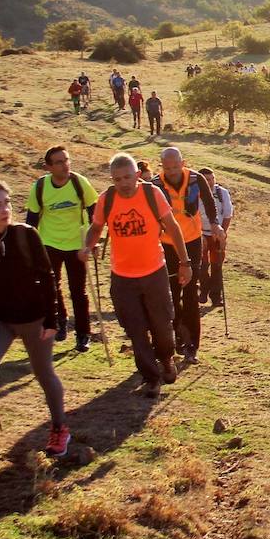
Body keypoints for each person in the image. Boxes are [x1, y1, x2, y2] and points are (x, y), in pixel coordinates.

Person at [0, 178, 69, 460]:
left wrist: (52, 320)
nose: (5, 209)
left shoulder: (26, 235)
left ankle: (60, 428)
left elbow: (49, 278)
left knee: (43, 373)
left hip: (34, 319)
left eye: (7, 203)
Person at [80, 153, 188, 397]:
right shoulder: (106, 200)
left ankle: (166, 359)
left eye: (128, 177)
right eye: (117, 179)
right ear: (112, 179)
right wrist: (88, 246)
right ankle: (151, 378)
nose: (123, 183)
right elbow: (96, 228)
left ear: (137, 176)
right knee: (135, 331)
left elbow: (172, 226)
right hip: (122, 278)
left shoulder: (152, 194)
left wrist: (185, 262)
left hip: (154, 272)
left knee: (162, 326)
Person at [25, 146, 99, 352]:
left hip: (77, 244)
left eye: (66, 160)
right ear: (48, 167)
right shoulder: (40, 187)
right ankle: (60, 320)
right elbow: (31, 221)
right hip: (49, 243)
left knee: (79, 291)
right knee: (51, 288)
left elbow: (95, 213)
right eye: (58, 162)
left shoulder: (79, 183)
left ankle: (83, 334)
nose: (64, 165)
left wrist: (93, 242)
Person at [153, 147, 222, 363]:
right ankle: (176, 340)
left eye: (176, 166)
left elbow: (209, 203)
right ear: (162, 166)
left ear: (183, 163)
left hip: (192, 241)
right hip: (166, 244)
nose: (172, 171)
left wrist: (215, 224)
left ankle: (192, 345)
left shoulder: (196, 178)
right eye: (168, 167)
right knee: (171, 294)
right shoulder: (154, 185)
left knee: (191, 293)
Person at [197, 167, 233, 307]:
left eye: (212, 179)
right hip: (200, 234)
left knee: (217, 265)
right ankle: (204, 291)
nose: (210, 182)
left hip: (217, 234)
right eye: (207, 180)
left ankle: (216, 297)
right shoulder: (194, 194)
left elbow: (228, 214)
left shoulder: (222, 193)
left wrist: (222, 233)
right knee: (202, 265)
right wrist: (199, 235)